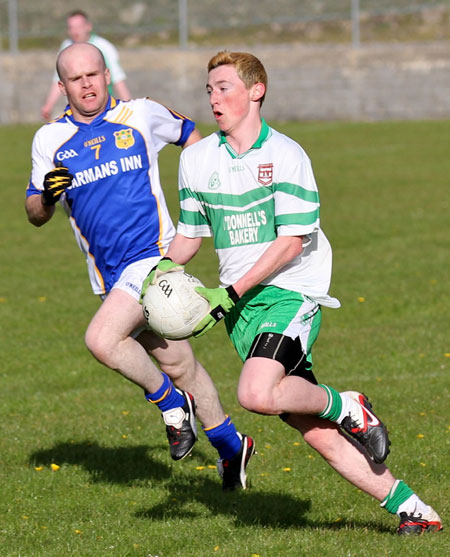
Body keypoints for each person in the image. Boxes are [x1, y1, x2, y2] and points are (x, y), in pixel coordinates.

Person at [146, 50, 443, 535]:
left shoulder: (285, 155)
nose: (214, 99)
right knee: (318, 435)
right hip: (243, 310)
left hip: (290, 292)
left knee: (254, 392)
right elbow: (190, 237)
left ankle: (346, 404)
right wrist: (156, 274)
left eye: (224, 87)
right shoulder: (197, 161)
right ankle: (414, 510)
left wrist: (230, 291)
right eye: (209, 90)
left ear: (255, 90)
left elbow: (291, 243)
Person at [25, 42, 254, 491]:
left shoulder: (141, 113)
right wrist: (47, 195)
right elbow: (34, 213)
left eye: (93, 74)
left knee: (102, 339)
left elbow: (194, 138)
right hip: (109, 276)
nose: (86, 84)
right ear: (62, 86)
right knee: (181, 365)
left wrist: (204, 195)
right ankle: (232, 448)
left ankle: (171, 406)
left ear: (107, 75)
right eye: (76, 78)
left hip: (154, 260)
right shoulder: (49, 139)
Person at [41, 10, 131, 120]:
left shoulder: (104, 47)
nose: (75, 31)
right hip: (76, 112)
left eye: (78, 27)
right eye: (71, 28)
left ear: (88, 27)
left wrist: (129, 106)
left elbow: (118, 80)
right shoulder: (66, 47)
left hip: (101, 111)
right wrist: (49, 105)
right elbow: (58, 80)